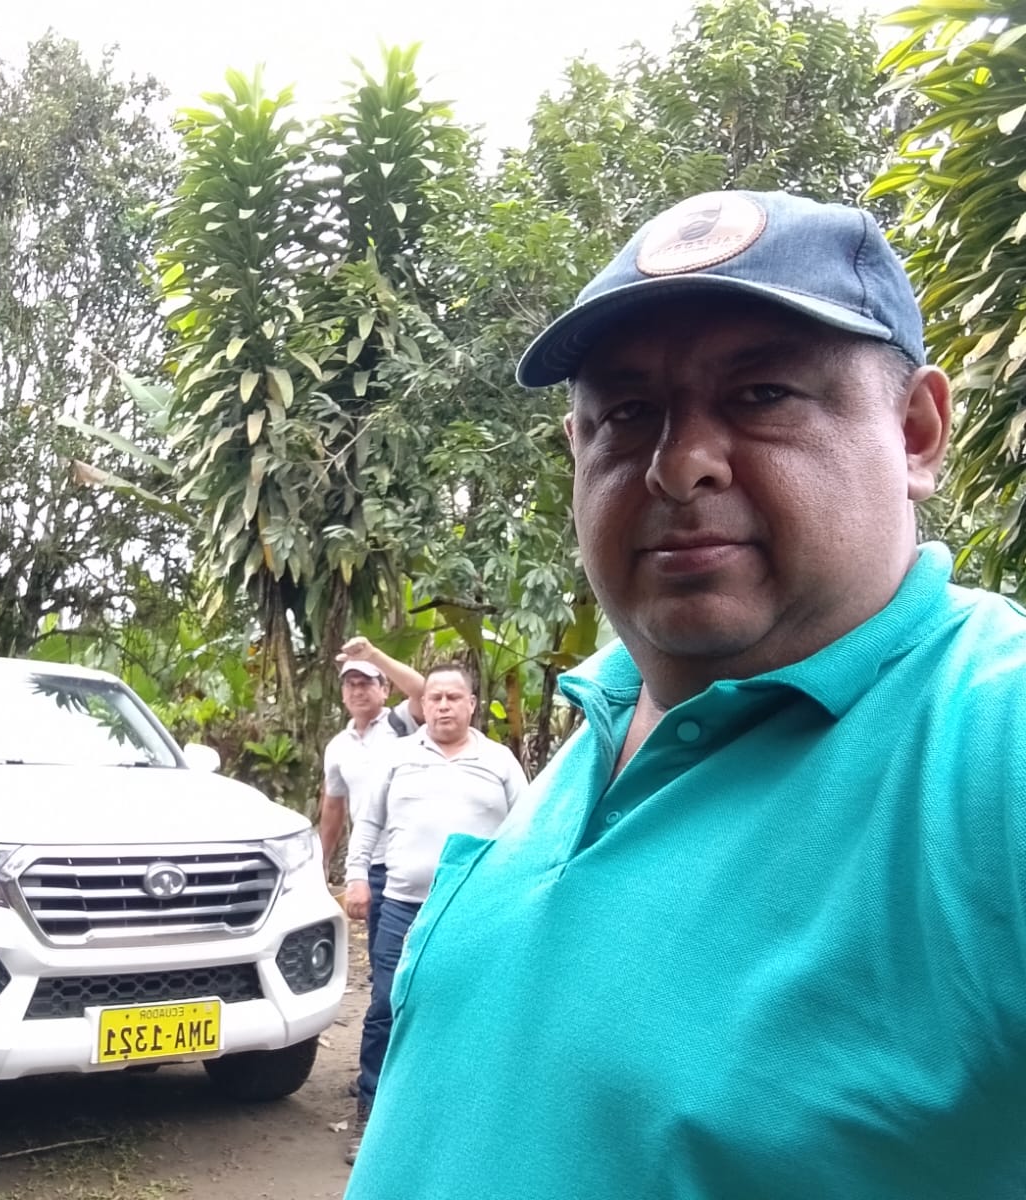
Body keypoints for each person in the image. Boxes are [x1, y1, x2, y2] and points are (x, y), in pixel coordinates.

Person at [345, 190, 1026, 1199]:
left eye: (762, 394)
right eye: (627, 415)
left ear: (916, 432)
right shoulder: (598, 725)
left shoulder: (991, 739)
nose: (677, 465)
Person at [341, 661, 525, 1164]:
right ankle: (371, 1115)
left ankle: (460, 1118)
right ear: (423, 706)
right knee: (386, 1004)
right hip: (402, 904)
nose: (443, 706)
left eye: (453, 697)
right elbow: (368, 823)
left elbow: (526, 830)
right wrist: (356, 877)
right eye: (435, 698)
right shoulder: (398, 756)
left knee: (471, 1008)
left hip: (476, 908)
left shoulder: (499, 761)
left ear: (472, 705)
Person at [317, 635, 426, 958]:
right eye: (350, 684)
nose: (358, 691)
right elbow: (334, 807)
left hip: (412, 857)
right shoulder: (338, 746)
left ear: (384, 689)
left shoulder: (402, 723)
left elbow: (423, 691)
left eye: (366, 683)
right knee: (383, 951)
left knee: (420, 946)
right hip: (373, 864)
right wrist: (323, 859)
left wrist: (373, 655)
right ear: (342, 693)